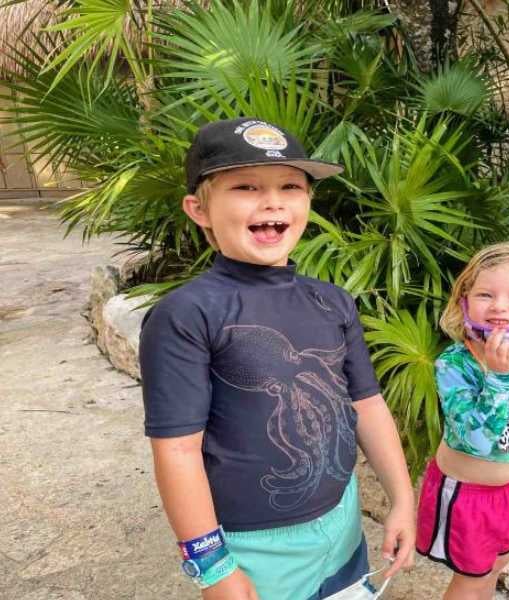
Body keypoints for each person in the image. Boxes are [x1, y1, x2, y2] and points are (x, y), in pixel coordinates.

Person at [139, 118, 415, 600]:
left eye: (291, 186)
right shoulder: (186, 314)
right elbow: (177, 450)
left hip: (343, 525)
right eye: (245, 187)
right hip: (254, 547)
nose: (273, 201)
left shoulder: (332, 302)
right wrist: (214, 567)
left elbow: (367, 406)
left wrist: (403, 501)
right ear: (198, 209)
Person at [416, 241, 509, 600]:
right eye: (485, 294)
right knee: (471, 580)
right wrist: (498, 379)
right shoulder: (455, 364)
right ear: (465, 302)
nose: (499, 306)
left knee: (497, 567)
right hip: (467, 495)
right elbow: (476, 440)